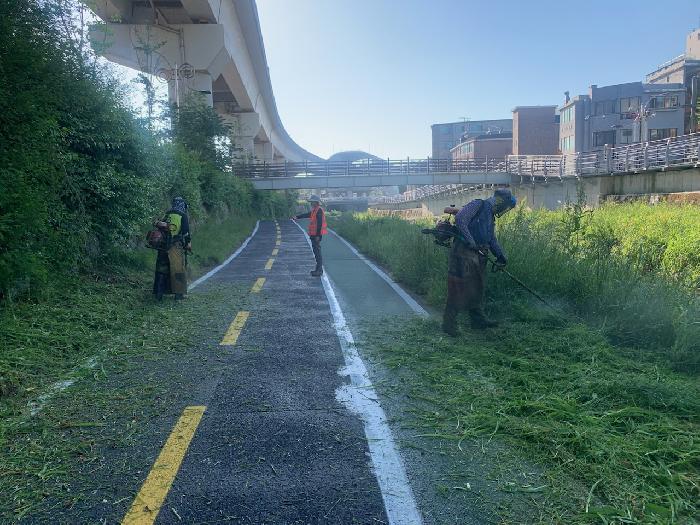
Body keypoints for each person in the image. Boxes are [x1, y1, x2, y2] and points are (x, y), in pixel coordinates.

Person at [443, 188, 517, 335]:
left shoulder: (490, 215)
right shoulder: (478, 204)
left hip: (479, 254)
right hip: (463, 252)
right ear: (501, 201)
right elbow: (460, 219)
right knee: (459, 287)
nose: (504, 210)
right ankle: (449, 325)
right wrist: (471, 241)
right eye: (506, 206)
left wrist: (500, 255)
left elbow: (490, 238)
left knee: (477, 287)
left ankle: (477, 321)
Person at [153, 197, 191, 301]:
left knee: (161, 270)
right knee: (177, 269)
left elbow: (158, 226)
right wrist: (188, 244)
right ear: (183, 206)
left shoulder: (167, 213)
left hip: (163, 246)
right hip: (175, 245)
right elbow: (186, 232)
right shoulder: (183, 215)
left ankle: (159, 295)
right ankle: (178, 295)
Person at [292, 194, 327, 277]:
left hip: (316, 235)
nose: (311, 203)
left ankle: (319, 271)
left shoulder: (319, 210)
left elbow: (319, 224)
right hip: (313, 235)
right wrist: (297, 216)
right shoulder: (315, 210)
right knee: (316, 252)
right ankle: (318, 269)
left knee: (317, 252)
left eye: (312, 202)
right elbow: (307, 215)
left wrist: (318, 235)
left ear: (316, 202)